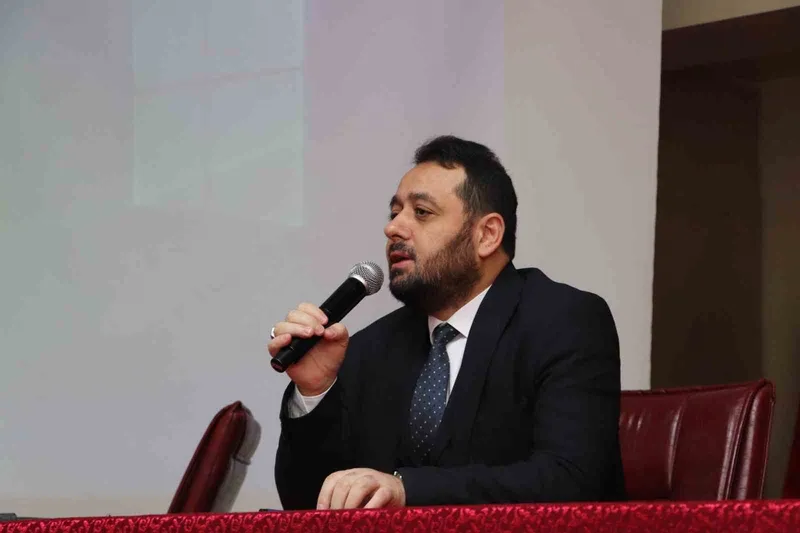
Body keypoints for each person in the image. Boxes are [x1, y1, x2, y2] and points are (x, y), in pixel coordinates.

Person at [268, 135, 625, 510]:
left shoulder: (564, 320)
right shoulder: (371, 346)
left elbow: (570, 479)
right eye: (394, 213)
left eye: (421, 212)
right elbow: (307, 504)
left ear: (487, 235)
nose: (394, 228)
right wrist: (315, 392)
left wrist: (407, 489)